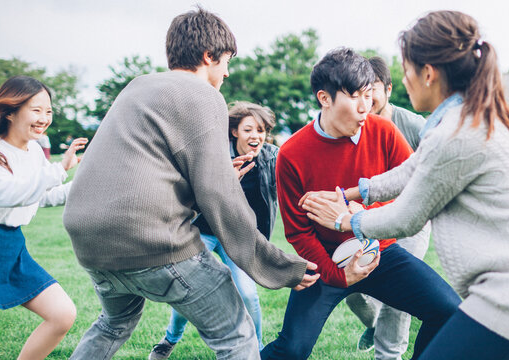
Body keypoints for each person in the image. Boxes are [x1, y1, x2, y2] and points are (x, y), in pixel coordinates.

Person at [62, 8, 318, 360]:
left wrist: (220, 176)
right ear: (208, 56)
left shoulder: (137, 86)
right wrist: (280, 266)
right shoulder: (204, 95)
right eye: (225, 61)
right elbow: (219, 196)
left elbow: (147, 169)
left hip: (89, 239)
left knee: (113, 323)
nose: (227, 72)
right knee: (237, 334)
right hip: (150, 240)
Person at [301, 11, 509, 360]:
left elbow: (407, 217)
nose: (403, 82)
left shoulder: (455, 133)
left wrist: (345, 220)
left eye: (405, 72)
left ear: (429, 74)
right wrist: (351, 194)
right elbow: (409, 171)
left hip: (508, 297)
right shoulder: (463, 118)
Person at [260, 47, 461, 360]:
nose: (366, 106)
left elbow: (410, 188)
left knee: (450, 312)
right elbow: (298, 233)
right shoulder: (291, 154)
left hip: (382, 252)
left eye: (369, 95)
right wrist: (338, 275)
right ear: (324, 98)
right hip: (326, 262)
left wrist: (359, 215)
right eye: (355, 96)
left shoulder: (383, 130)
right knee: (292, 350)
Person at [150, 101, 278, 359]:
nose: (256, 136)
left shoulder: (272, 157)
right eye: (248, 130)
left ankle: (258, 351)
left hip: (238, 236)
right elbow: (189, 194)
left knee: (248, 294)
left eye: (261, 130)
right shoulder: (214, 153)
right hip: (203, 232)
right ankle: (170, 339)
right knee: (189, 289)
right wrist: (226, 180)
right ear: (234, 132)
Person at [0, 76, 87, 360]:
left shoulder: (34, 152)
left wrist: (87, 182)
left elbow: (39, 197)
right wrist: (59, 169)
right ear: (10, 110)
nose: (44, 118)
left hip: (11, 245)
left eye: (49, 111)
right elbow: (5, 193)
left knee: (62, 314)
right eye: (36, 109)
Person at [343, 56, 431, 359]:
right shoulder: (351, 124)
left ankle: (388, 355)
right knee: (353, 291)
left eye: (373, 89)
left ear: (389, 89)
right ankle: (373, 324)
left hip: (410, 219)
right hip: (368, 218)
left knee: (397, 294)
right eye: (359, 90)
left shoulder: (413, 125)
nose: (366, 98)